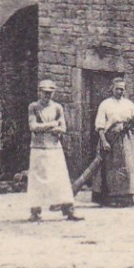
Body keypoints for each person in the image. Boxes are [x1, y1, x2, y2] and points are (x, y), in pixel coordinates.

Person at [27, 80, 82, 222]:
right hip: (38, 148)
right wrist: (52, 124)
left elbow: (63, 128)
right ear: (39, 92)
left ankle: (68, 210)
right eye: (44, 92)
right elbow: (33, 126)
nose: (47, 95)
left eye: (50, 93)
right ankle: (35, 212)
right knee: (37, 181)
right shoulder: (33, 107)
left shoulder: (58, 108)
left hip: (55, 148)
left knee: (61, 179)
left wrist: (47, 127)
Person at [90, 77, 134, 206]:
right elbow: (100, 125)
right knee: (111, 168)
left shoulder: (129, 104)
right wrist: (104, 141)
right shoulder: (105, 104)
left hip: (126, 139)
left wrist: (130, 124)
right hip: (110, 139)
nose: (120, 91)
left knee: (128, 166)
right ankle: (111, 198)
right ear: (112, 89)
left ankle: (127, 197)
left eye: (122, 89)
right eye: (117, 89)